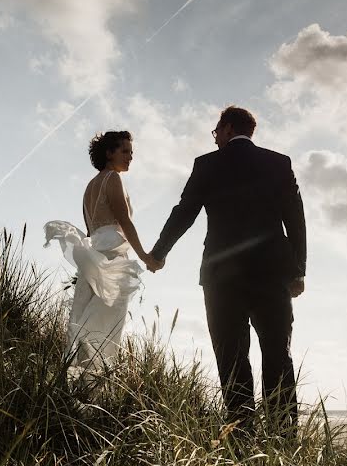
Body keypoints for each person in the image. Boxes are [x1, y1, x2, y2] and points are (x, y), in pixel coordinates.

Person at [147, 106, 306, 435]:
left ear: (228, 128)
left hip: (221, 277)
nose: (215, 137)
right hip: (272, 273)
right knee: (278, 352)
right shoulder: (279, 163)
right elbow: (296, 220)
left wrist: (159, 253)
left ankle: (241, 433)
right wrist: (298, 270)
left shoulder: (207, 165)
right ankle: (283, 434)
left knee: (231, 356)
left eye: (216, 131)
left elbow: (184, 212)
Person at [44, 131, 157, 378]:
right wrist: (145, 256)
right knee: (106, 324)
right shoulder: (113, 179)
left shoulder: (89, 187)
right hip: (113, 256)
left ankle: (78, 381)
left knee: (85, 317)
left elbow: (90, 230)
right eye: (124, 151)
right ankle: (93, 387)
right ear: (109, 153)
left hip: (92, 256)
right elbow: (125, 222)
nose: (130, 157)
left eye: (131, 152)